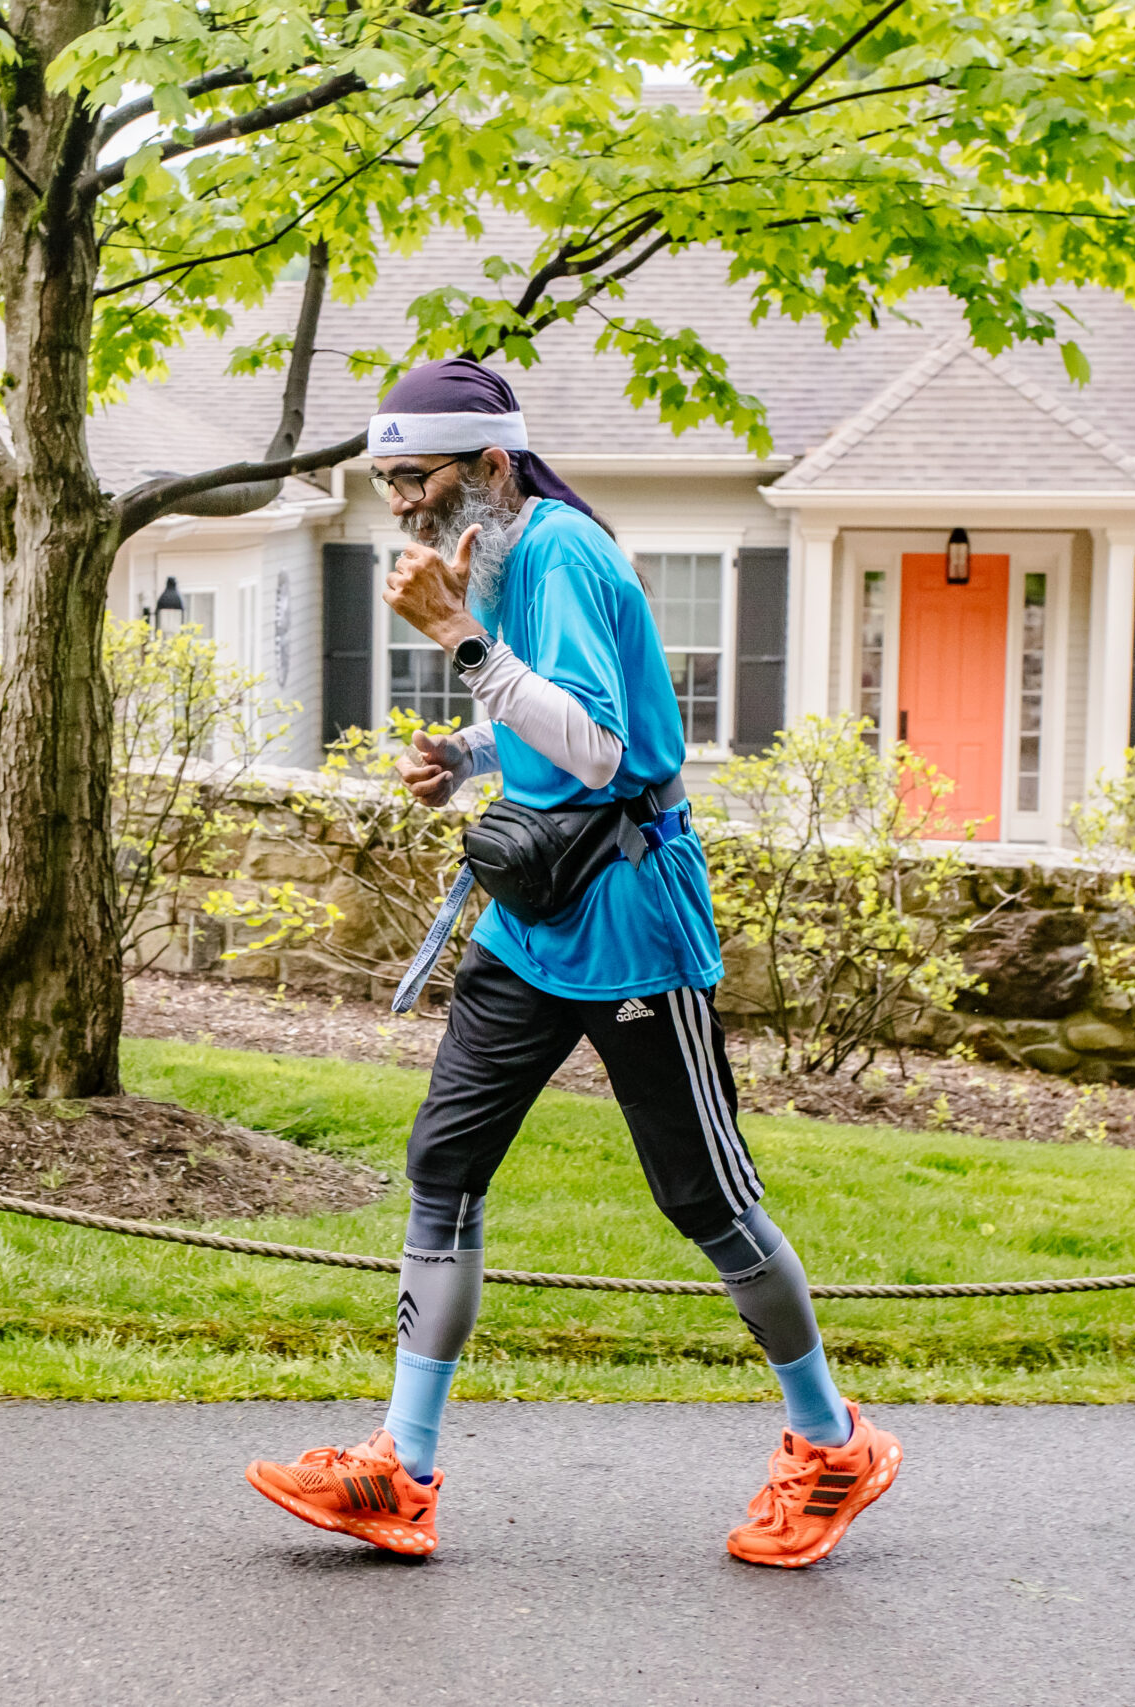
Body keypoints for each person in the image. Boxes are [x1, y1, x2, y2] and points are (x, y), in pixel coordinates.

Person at [243, 356, 901, 1569]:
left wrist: (457, 642)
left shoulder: (560, 555)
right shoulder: (504, 553)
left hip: (630, 921)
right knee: (443, 1164)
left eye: (416, 479)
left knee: (706, 1199)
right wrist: (468, 755)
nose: (401, 504)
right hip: (529, 920)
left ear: (492, 466)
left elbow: (603, 749)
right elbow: (545, 723)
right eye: (387, 483)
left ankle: (832, 1445)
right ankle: (401, 1470)